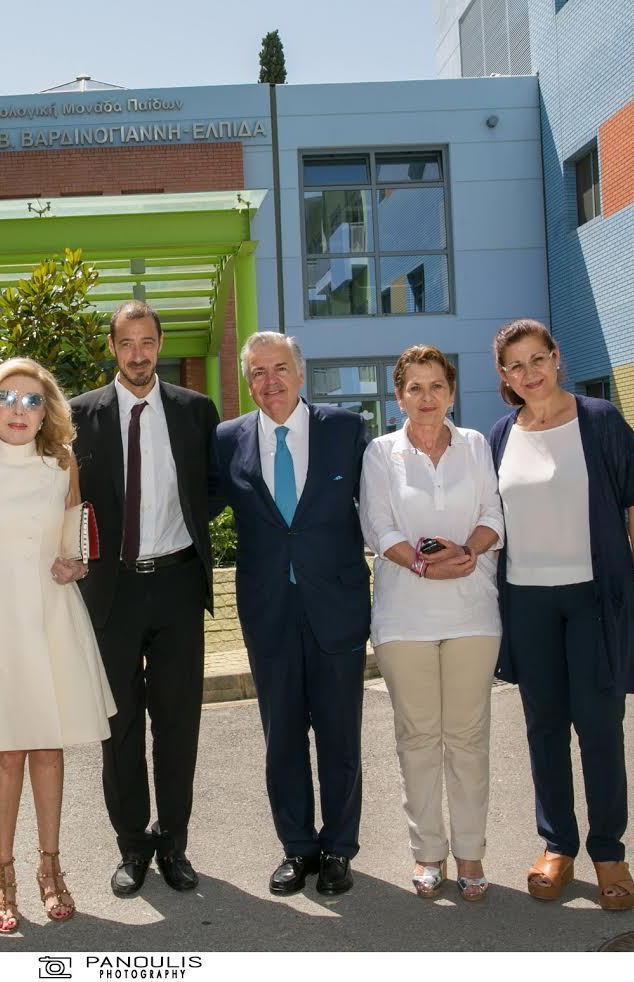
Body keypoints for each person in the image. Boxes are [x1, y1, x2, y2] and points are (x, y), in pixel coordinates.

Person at [488, 318, 634, 912]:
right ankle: (557, 846)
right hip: (527, 601)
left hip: (595, 598)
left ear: (556, 357)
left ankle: (609, 852)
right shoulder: (500, 435)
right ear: (505, 376)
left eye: (537, 359)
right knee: (543, 728)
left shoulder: (599, 420)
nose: (529, 374)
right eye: (516, 366)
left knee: (598, 726)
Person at [0, 357, 116, 934]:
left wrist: (75, 564)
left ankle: (50, 865)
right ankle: (1, 873)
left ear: (47, 412)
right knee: (6, 750)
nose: (19, 410)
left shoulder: (61, 464)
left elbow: (73, 540)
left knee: (47, 746)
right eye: (8, 398)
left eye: (32, 400)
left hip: (51, 613)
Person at [69, 300, 221, 898]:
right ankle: (132, 845)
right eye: (127, 343)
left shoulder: (194, 411)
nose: (138, 354)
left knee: (179, 722)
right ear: (112, 347)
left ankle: (174, 843)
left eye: (148, 342)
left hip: (178, 584)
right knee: (120, 724)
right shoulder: (79, 415)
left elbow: (213, 486)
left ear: (160, 344)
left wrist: (187, 526)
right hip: (112, 589)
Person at [214, 331, 371, 897]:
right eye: (257, 372)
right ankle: (298, 847)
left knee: (339, 735)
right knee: (281, 736)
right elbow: (191, 507)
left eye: (279, 368)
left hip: (336, 606)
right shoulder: (227, 440)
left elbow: (381, 506)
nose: (270, 381)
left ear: (301, 374)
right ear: (247, 383)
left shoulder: (345, 430)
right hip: (268, 611)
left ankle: (339, 849)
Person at [360, 345, 504, 902]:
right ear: (399, 397)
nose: (427, 397)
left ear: (451, 392)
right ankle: (427, 853)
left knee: (468, 738)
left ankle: (470, 852)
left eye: (436, 386)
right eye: (414, 388)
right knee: (418, 738)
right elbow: (379, 527)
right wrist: (423, 565)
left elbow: (493, 514)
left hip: (473, 612)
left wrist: (467, 553)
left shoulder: (475, 445)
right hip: (403, 618)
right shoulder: (381, 453)